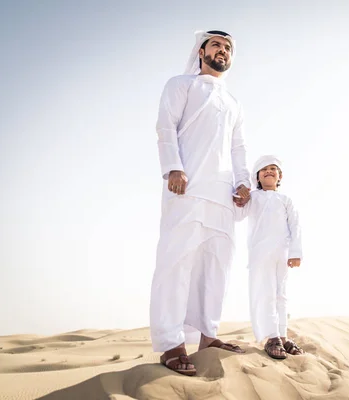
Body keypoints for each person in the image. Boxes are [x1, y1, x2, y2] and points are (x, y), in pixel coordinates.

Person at [150, 30, 251, 376]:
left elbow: (238, 149)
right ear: (201, 51)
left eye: (227, 48)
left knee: (217, 266)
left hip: (222, 194)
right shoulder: (182, 85)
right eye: (216, 45)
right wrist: (174, 168)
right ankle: (170, 343)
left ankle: (208, 336)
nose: (222, 51)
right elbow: (166, 126)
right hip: (187, 187)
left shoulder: (234, 102)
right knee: (176, 261)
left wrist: (242, 183)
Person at [234, 155, 305, 359]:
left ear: (279, 175)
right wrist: (241, 197)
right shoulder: (253, 197)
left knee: (281, 295)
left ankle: (282, 336)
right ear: (257, 177)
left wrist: (296, 253)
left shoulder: (286, 200)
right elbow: (239, 214)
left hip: (281, 254)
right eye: (263, 169)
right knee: (265, 293)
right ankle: (271, 337)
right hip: (260, 253)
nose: (269, 172)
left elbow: (295, 227)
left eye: (273, 169)